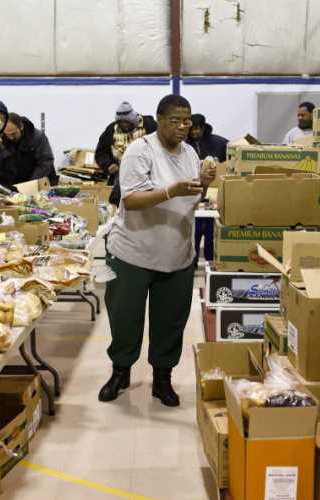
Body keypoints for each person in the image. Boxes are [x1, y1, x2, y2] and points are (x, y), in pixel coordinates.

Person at [100, 95, 217, 407]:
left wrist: (203, 184)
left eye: (187, 120)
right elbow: (131, 200)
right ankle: (120, 372)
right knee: (125, 318)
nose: (182, 126)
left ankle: (162, 379)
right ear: (159, 119)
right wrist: (172, 190)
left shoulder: (191, 153)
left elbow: (192, 195)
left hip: (176, 254)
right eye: (175, 120)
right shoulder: (141, 151)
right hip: (133, 254)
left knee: (170, 321)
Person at [95, 101, 158, 202]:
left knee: (147, 200)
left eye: (126, 122)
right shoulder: (111, 130)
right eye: (120, 123)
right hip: (121, 174)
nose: (123, 125)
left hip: (148, 172)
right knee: (119, 201)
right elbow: (100, 152)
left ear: (133, 120)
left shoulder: (149, 125)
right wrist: (108, 164)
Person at [0, 112, 57, 187]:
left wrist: (31, 185)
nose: (11, 138)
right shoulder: (3, 139)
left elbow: (45, 162)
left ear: (21, 126)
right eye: (7, 134)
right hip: (19, 185)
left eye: (14, 134)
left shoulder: (38, 138)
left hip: (40, 182)